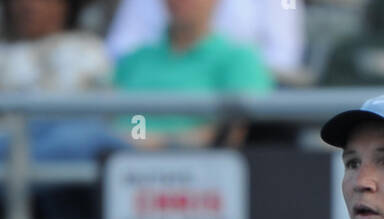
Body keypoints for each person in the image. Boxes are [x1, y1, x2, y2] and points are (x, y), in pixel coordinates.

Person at [0, 0, 114, 161]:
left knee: (82, 137)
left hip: (43, 156)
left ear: (65, 4)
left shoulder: (87, 50)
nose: (28, 5)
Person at [113, 0, 272, 148]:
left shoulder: (240, 59)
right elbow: (108, 118)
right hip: (117, 161)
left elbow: (233, 132)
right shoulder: (135, 59)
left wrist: (157, 144)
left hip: (195, 169)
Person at [106, 0, 305, 83]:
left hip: (233, 92)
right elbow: (118, 50)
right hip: (140, 117)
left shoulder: (242, 63)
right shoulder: (138, 62)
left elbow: (284, 58)